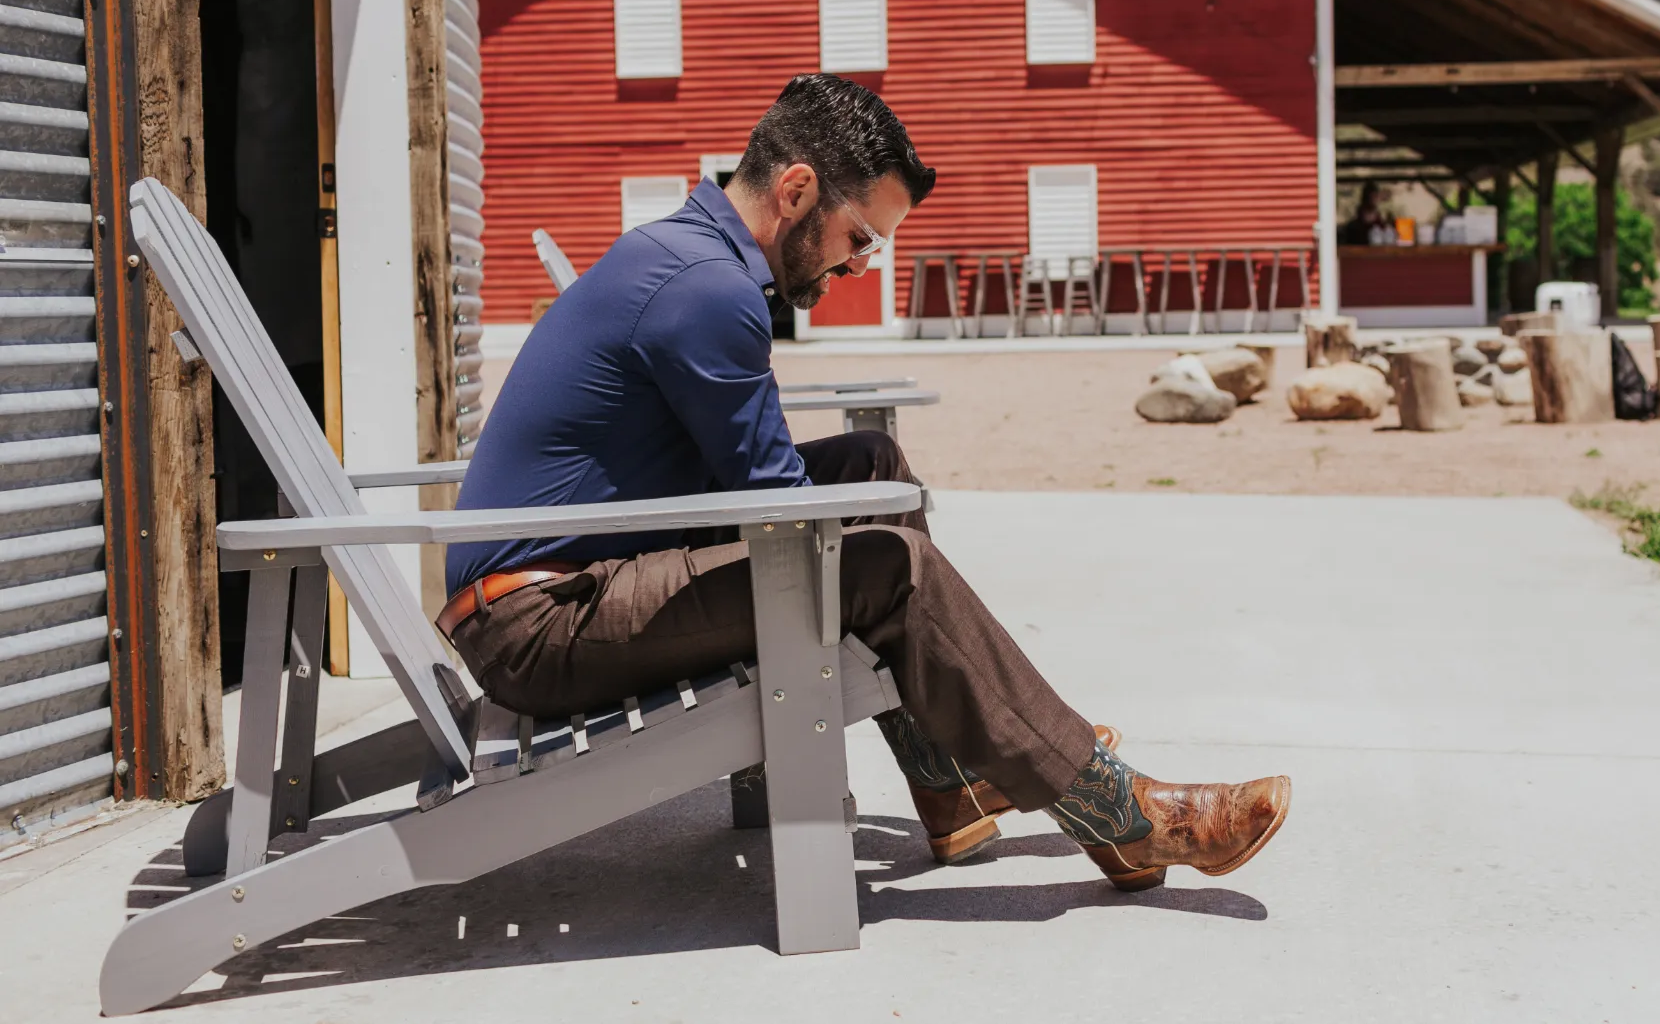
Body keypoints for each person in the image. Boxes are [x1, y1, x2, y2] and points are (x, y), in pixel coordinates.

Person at [442, 74, 1289, 889]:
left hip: (578, 583)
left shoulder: (687, 252)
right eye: (861, 238)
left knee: (868, 465)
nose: (860, 266)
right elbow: (783, 510)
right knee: (887, 563)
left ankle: (946, 776)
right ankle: (1120, 810)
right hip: (539, 626)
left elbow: (764, 484)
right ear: (797, 191)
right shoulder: (706, 290)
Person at [1340, 178, 1389, 245]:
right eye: (1370, 196)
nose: (1373, 199)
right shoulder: (1352, 228)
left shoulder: (1382, 227)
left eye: (1375, 196)